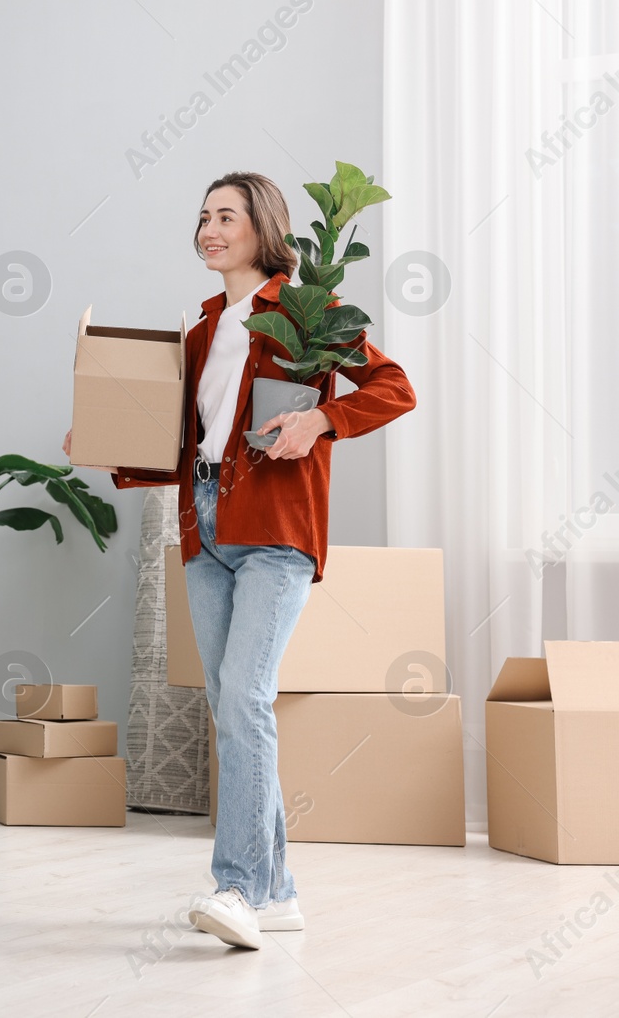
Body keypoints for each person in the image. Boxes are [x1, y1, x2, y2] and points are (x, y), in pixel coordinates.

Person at [64, 171, 415, 949]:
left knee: (246, 697)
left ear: (263, 226)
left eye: (226, 215)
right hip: (206, 523)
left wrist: (322, 417)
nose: (209, 228)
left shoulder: (306, 309)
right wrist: (107, 450)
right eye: (202, 217)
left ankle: (237, 887)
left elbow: (394, 387)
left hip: (277, 527)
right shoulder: (200, 331)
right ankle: (278, 889)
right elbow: (184, 447)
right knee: (232, 707)